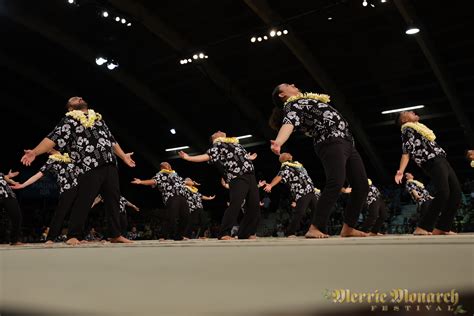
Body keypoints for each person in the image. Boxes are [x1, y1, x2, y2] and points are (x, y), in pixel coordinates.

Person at [21, 96, 135, 245]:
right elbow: (52, 138)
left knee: (113, 200)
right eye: (74, 99)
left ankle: (115, 234)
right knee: (84, 200)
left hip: (109, 164)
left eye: (80, 97)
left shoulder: (99, 119)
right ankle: (73, 235)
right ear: (70, 108)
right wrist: (35, 152)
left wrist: (123, 157)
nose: (79, 98)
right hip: (87, 166)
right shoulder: (69, 120)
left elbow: (111, 140)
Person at [270, 84, 368, 238]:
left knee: (361, 185)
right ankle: (315, 227)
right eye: (288, 85)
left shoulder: (305, 100)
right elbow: (289, 123)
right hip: (330, 141)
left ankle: (348, 227)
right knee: (336, 181)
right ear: (282, 95)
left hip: (347, 142)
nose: (293, 85)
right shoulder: (292, 104)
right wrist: (279, 142)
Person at [178, 131, 260, 240]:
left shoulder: (235, 143)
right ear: (214, 138)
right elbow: (207, 156)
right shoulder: (218, 145)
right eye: (216, 132)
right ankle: (224, 233)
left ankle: (247, 233)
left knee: (254, 205)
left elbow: (241, 157)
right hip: (237, 176)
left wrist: (249, 158)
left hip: (250, 175)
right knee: (235, 204)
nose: (219, 131)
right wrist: (189, 158)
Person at [394, 111, 461, 235]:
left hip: (441, 158)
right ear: (403, 120)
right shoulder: (407, 128)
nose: (412, 112)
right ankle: (423, 227)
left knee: (456, 193)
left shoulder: (420, 128)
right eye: (407, 112)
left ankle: (443, 227)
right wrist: (400, 171)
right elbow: (406, 152)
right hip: (431, 160)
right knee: (443, 192)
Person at [12, 150, 80, 243]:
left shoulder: (70, 153)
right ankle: (51, 238)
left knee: (80, 210)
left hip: (81, 186)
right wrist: (23, 185)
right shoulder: (52, 159)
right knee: (60, 213)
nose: (47, 150)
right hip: (67, 188)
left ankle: (79, 236)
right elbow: (38, 175)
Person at [264, 153, 319, 237]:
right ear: (283, 158)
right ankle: (290, 232)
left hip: (311, 190)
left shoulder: (297, 165)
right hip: (302, 191)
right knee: (299, 213)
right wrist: (271, 185)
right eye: (287, 154)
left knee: (317, 211)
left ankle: (314, 230)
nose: (290, 154)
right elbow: (279, 176)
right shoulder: (286, 167)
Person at [131, 162, 189, 240]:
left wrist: (192, 183)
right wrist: (141, 182)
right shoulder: (160, 174)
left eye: (168, 164)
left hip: (182, 196)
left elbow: (184, 182)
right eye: (164, 165)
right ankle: (167, 235)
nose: (167, 165)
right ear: (162, 168)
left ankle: (179, 235)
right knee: (172, 217)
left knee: (185, 216)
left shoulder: (175, 174)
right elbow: (153, 181)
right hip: (171, 196)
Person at [0, 170, 23, 245]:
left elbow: (4, 177)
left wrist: (11, 180)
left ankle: (14, 240)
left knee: (17, 216)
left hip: (8, 194)